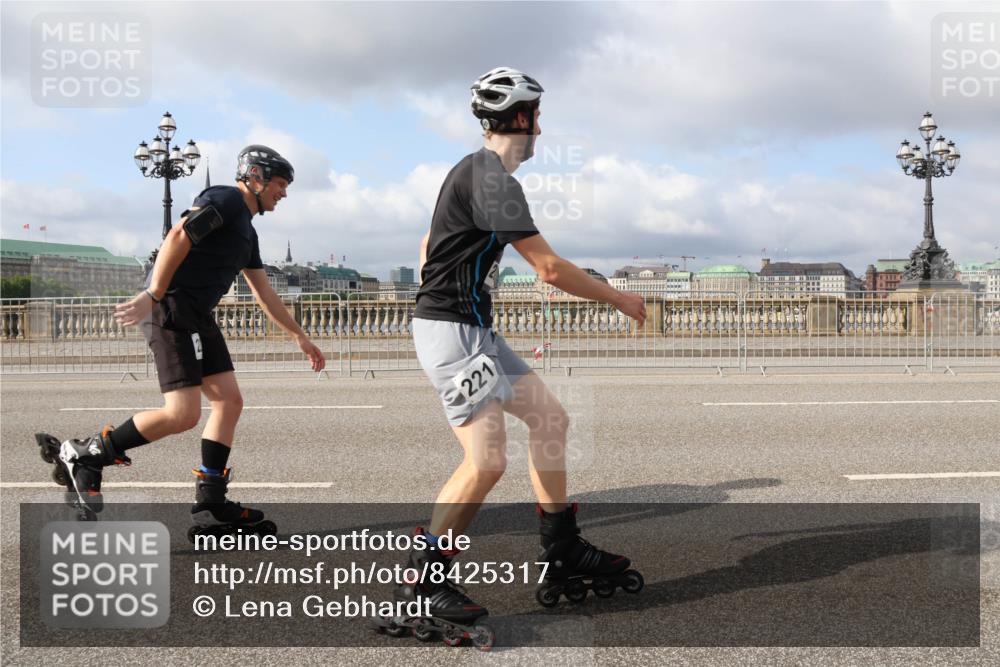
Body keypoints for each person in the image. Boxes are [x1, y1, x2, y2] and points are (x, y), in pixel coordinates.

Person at [382, 67, 647, 644]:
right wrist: (619, 297)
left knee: (551, 419)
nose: (540, 129)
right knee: (486, 461)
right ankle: (422, 583)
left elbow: (430, 245)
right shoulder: (494, 180)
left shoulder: (471, 173)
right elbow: (549, 269)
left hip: (470, 327)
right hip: (453, 334)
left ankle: (562, 547)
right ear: (522, 118)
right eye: (537, 118)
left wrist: (462, 283)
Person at [37, 145, 325, 531]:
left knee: (229, 402)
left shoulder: (247, 232)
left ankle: (211, 504)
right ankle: (86, 455)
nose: (284, 193)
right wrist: (153, 294)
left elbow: (264, 293)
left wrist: (299, 338)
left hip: (197, 316)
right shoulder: (225, 199)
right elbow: (178, 235)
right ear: (255, 177)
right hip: (171, 310)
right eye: (279, 184)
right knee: (182, 414)